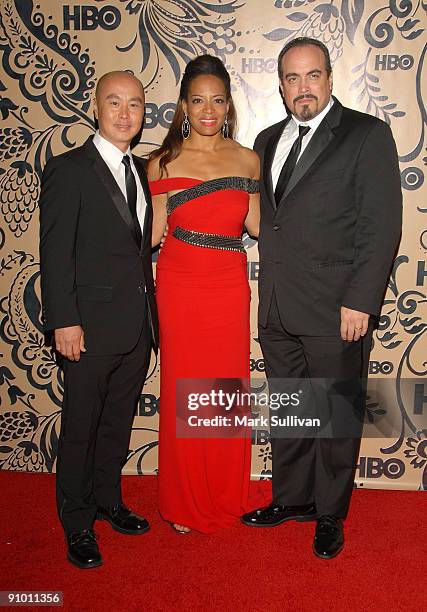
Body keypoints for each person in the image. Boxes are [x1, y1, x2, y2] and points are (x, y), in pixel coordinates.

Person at [241, 37, 402, 558]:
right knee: (291, 410)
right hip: (279, 306)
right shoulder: (265, 141)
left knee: (333, 415)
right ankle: (292, 499)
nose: (302, 87)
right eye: (292, 78)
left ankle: (330, 513)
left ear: (330, 79)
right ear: (282, 86)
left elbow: (381, 227)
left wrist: (361, 300)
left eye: (312, 76)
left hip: (338, 308)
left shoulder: (365, 134)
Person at [39, 71, 158, 569]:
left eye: (134, 104)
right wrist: (64, 321)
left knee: (116, 422)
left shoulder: (144, 171)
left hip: (136, 325)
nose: (125, 113)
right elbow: (55, 251)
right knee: (81, 427)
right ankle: (78, 522)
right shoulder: (70, 170)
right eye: (115, 102)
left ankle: (109, 500)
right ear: (95, 105)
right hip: (86, 327)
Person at [147, 54, 269, 534]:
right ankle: (183, 500)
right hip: (179, 285)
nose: (208, 110)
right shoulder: (162, 163)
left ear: (228, 105)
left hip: (227, 285)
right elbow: (152, 233)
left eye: (217, 100)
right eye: (198, 100)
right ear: (183, 106)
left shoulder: (247, 159)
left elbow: (258, 225)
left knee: (222, 389)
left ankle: (222, 490)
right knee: (183, 390)